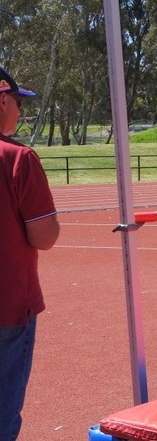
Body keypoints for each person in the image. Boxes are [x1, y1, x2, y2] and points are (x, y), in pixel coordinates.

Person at [0, 66, 60, 440]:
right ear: (3, 100)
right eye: (19, 103)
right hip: (7, 308)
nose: (20, 112)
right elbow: (44, 236)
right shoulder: (18, 158)